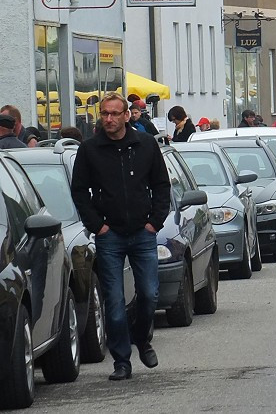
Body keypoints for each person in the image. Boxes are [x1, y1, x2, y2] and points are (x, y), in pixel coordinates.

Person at [70, 92, 170, 381]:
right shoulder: (90, 150)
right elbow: (79, 191)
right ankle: (122, 361)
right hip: (109, 235)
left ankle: (143, 339)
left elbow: (162, 186)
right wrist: (97, 225)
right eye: (104, 114)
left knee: (149, 295)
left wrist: (155, 222)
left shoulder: (145, 144)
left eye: (114, 114)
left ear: (127, 116)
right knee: (114, 303)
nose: (109, 119)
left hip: (143, 232)